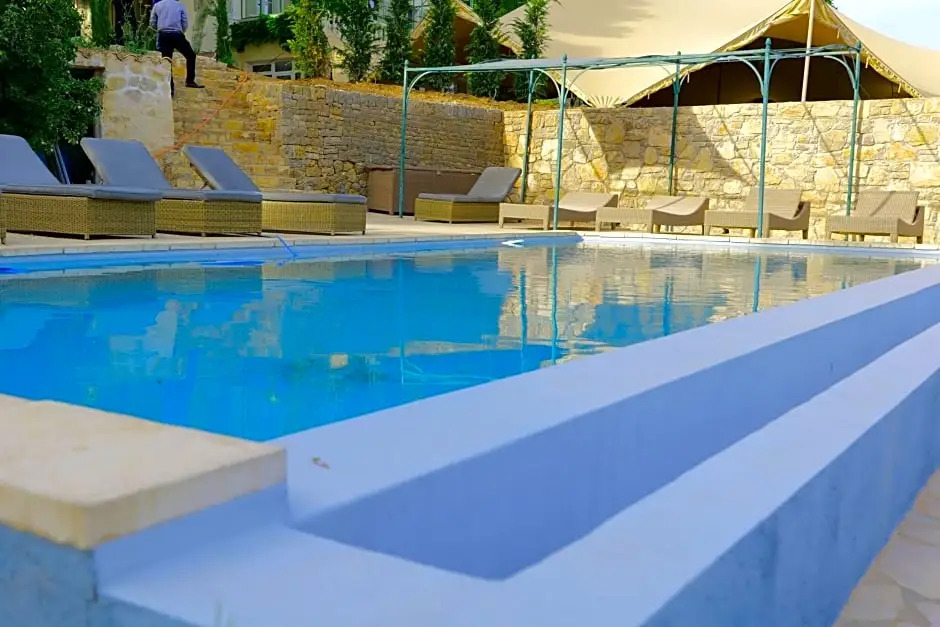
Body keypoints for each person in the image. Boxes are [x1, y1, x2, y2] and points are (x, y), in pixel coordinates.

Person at [150, 0, 203, 93]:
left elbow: (152, 22)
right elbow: (184, 22)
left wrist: (160, 29)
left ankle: (170, 88)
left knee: (167, 60)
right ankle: (190, 81)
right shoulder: (179, 5)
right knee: (191, 55)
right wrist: (181, 31)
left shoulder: (157, 5)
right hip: (177, 34)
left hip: (163, 35)